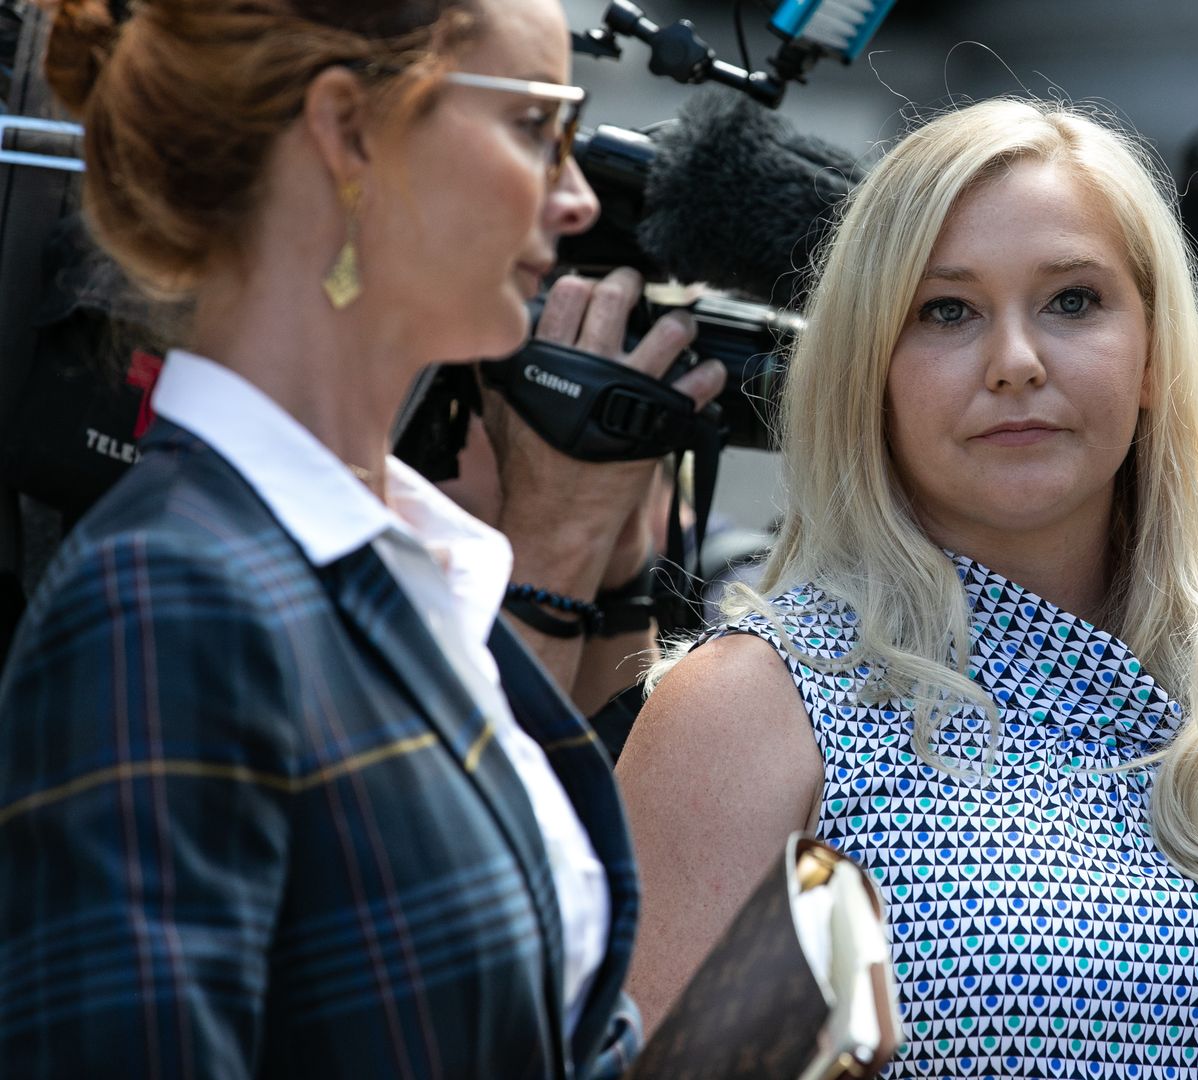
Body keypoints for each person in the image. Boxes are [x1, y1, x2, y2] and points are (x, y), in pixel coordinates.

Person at [617, 97, 1198, 1078]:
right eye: (947, 311)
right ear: (869, 369)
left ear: (1153, 353)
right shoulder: (752, 711)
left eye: (1072, 301)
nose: (1015, 363)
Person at [0, 0, 719, 1074]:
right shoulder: (171, 603)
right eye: (533, 127)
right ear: (346, 133)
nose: (575, 199)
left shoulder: (403, 563)